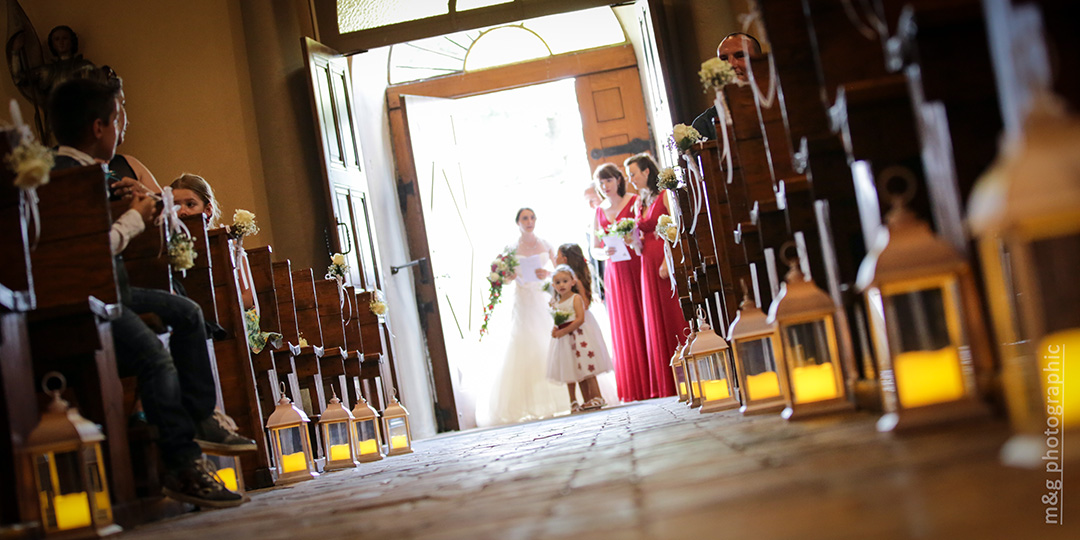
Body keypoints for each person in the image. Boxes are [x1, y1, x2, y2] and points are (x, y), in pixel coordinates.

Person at [47, 78, 251, 508]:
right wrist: (134, 218)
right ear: (99, 126)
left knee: (189, 312)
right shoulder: (62, 178)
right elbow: (90, 251)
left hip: (112, 289)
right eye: (120, 115)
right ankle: (181, 465)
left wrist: (127, 200)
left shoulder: (92, 174)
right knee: (155, 358)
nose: (125, 125)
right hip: (89, 299)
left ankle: (199, 416)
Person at [477, 208, 568, 426]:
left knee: (549, 339)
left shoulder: (546, 244)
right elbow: (504, 278)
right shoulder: (510, 249)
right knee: (525, 341)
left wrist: (548, 274)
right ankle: (525, 403)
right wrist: (509, 276)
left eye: (532, 218)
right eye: (525, 218)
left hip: (542, 294)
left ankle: (564, 397)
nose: (529, 222)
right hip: (523, 298)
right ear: (517, 222)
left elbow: (562, 271)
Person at [626, 153, 686, 399]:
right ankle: (666, 382)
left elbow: (673, 226)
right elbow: (640, 233)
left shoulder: (664, 196)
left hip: (662, 257)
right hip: (645, 262)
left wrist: (666, 259)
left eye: (633, 174)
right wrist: (632, 241)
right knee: (654, 318)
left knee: (671, 314)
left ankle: (683, 376)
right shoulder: (640, 200)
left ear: (647, 171)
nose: (630, 180)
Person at [592, 164, 649, 402]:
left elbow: (645, 230)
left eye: (608, 181)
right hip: (615, 270)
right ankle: (635, 385)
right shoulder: (598, 211)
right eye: (601, 183)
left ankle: (653, 376)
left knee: (644, 317)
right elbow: (594, 249)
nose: (605, 187)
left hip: (636, 264)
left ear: (618, 179)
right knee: (624, 324)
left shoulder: (634, 200)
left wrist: (632, 238)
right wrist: (606, 252)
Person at [547, 265, 612, 411]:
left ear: (572, 282)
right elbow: (559, 320)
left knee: (587, 366)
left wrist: (564, 332)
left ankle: (597, 396)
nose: (561, 285)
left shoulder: (575, 298)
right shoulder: (556, 302)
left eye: (565, 281)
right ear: (553, 285)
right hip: (567, 340)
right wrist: (555, 329)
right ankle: (588, 399)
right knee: (579, 369)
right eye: (557, 282)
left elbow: (580, 319)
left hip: (579, 337)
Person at [691, 32, 762, 141]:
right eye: (724, 59)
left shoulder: (779, 106)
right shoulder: (704, 125)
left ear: (760, 60)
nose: (731, 64)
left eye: (740, 55)